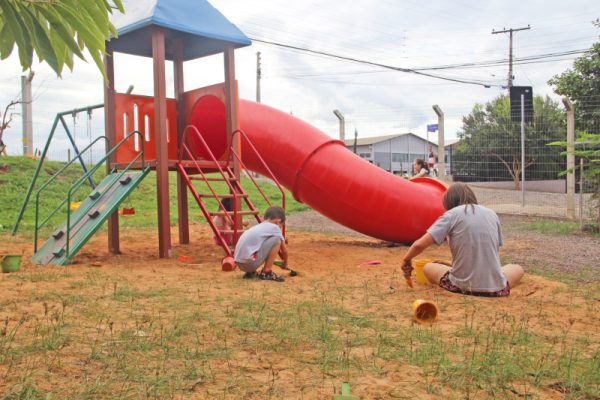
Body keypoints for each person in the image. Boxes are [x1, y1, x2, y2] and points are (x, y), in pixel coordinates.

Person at [401, 183, 524, 297]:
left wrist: (407, 259)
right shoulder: (492, 214)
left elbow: (419, 245)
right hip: (497, 289)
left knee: (428, 267)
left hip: (460, 286)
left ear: (449, 203)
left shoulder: (451, 215)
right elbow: (488, 251)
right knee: (517, 268)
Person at [233, 205, 288, 282]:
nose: (280, 228)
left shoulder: (258, 227)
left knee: (260, 243)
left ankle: (250, 273)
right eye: (281, 226)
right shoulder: (275, 227)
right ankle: (267, 272)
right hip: (249, 264)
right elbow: (284, 251)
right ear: (278, 222)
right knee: (277, 240)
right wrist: (285, 263)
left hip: (239, 263)